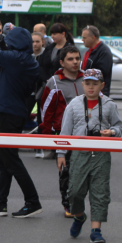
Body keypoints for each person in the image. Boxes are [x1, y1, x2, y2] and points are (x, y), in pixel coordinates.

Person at [0, 26, 43, 219]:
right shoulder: (25, 60)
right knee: (5, 160)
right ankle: (1, 203)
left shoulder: (17, 59)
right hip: (12, 112)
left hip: (9, 113)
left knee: (10, 159)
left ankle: (32, 201)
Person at [58, 69, 122, 243]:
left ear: (102, 85)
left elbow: (119, 126)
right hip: (79, 153)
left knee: (100, 193)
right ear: (83, 85)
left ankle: (96, 230)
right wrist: (61, 153)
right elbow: (65, 131)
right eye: (88, 83)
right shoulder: (74, 104)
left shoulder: (109, 104)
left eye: (95, 84)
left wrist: (112, 132)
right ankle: (79, 216)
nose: (91, 87)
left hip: (101, 154)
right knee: (75, 192)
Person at [39, 45, 84, 216]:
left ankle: (79, 199)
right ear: (62, 62)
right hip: (63, 133)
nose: (75, 62)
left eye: (77, 58)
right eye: (70, 59)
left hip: (85, 134)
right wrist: (47, 133)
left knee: (83, 170)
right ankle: (68, 203)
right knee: (66, 170)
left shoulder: (87, 78)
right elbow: (46, 109)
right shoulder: (54, 82)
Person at [80, 26, 114, 96]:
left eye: (84, 38)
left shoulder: (104, 52)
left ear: (93, 37)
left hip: (98, 93)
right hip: (88, 92)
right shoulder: (89, 51)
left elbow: (101, 74)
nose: (82, 40)